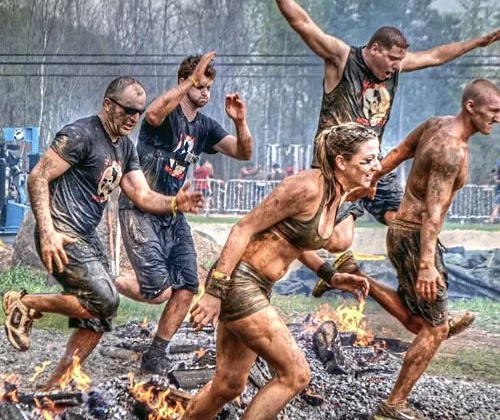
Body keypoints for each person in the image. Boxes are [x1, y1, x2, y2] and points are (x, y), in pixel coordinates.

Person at [265, 0, 500, 261]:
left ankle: (416, 278)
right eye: (391, 59)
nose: (394, 67)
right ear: (375, 49)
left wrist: (477, 42)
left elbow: (436, 56)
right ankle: (291, 232)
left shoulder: (396, 65)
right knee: (340, 241)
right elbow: (303, 24)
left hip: (373, 164)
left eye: (399, 61)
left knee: (407, 221)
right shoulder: (342, 58)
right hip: (337, 167)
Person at [1, 77, 203, 389]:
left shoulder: (125, 148)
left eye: (139, 112)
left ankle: (55, 384)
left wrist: (175, 202)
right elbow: (37, 177)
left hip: (87, 236)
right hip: (61, 232)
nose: (134, 118)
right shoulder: (80, 134)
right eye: (128, 110)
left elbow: (142, 195)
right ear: (108, 104)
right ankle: (26, 302)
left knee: (97, 317)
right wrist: (48, 230)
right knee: (105, 300)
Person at [183, 123, 376, 420]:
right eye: (367, 160)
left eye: (376, 158)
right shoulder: (307, 187)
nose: (376, 166)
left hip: (257, 287)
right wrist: (214, 292)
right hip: (238, 282)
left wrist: (331, 275)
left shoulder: (335, 195)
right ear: (341, 162)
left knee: (229, 385)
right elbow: (243, 228)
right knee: (296, 374)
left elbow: (299, 242)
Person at [365, 79, 498, 419]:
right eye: (493, 110)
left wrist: (366, 182)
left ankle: (355, 276)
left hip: (404, 233)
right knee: (434, 328)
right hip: (414, 237)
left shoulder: (436, 124)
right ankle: (393, 405)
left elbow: (396, 154)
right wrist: (427, 263)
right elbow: (433, 211)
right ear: (471, 106)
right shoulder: (450, 150)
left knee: (421, 321)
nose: (497, 118)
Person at [115, 52, 253, 375]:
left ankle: (155, 354)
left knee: (189, 286)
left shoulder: (204, 127)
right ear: (184, 82)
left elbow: (243, 152)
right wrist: (189, 83)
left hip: (174, 212)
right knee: (159, 291)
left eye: (208, 88)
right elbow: (151, 113)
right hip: (141, 207)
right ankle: (110, 284)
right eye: (199, 86)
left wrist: (240, 121)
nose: (205, 93)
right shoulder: (166, 114)